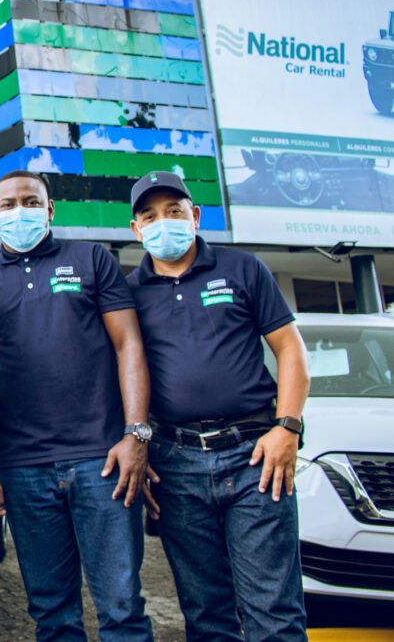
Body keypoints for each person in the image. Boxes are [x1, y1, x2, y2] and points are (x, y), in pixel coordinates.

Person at [126, 171, 310, 641]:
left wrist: (287, 428)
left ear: (195, 216)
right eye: (150, 215)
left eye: (174, 211)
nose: (163, 222)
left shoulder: (242, 267)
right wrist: (140, 443)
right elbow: (124, 373)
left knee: (273, 611)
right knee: (206, 615)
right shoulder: (128, 292)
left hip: (255, 456)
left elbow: (290, 349)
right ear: (135, 228)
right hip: (177, 463)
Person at [0, 170, 154, 642]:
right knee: (52, 615)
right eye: (8, 205)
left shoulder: (92, 259)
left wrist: (136, 433)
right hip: (24, 469)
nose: (20, 211)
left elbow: (128, 345)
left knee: (122, 609)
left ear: (50, 210)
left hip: (103, 461)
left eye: (31, 202)